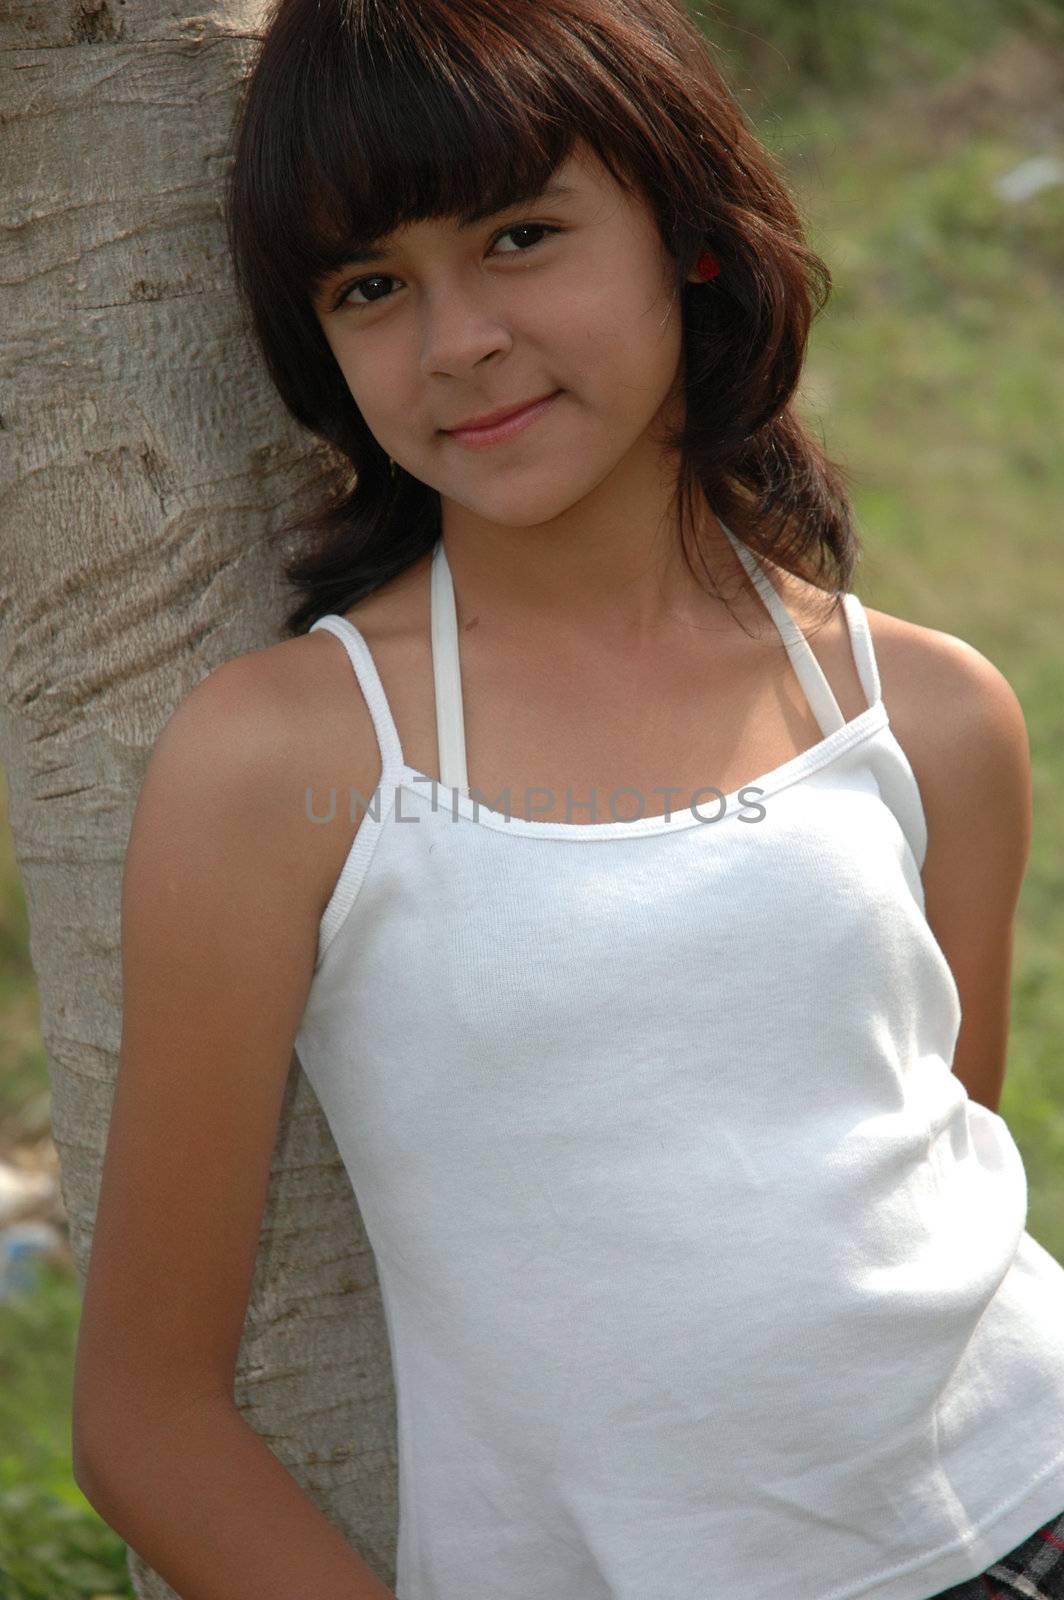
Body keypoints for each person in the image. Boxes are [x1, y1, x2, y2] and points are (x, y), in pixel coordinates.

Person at [71, 1, 1064, 1597]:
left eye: (521, 235)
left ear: (687, 235)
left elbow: (929, 1152)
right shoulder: (291, 759)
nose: (456, 339)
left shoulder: (923, 710)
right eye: (371, 285)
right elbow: (146, 1421)